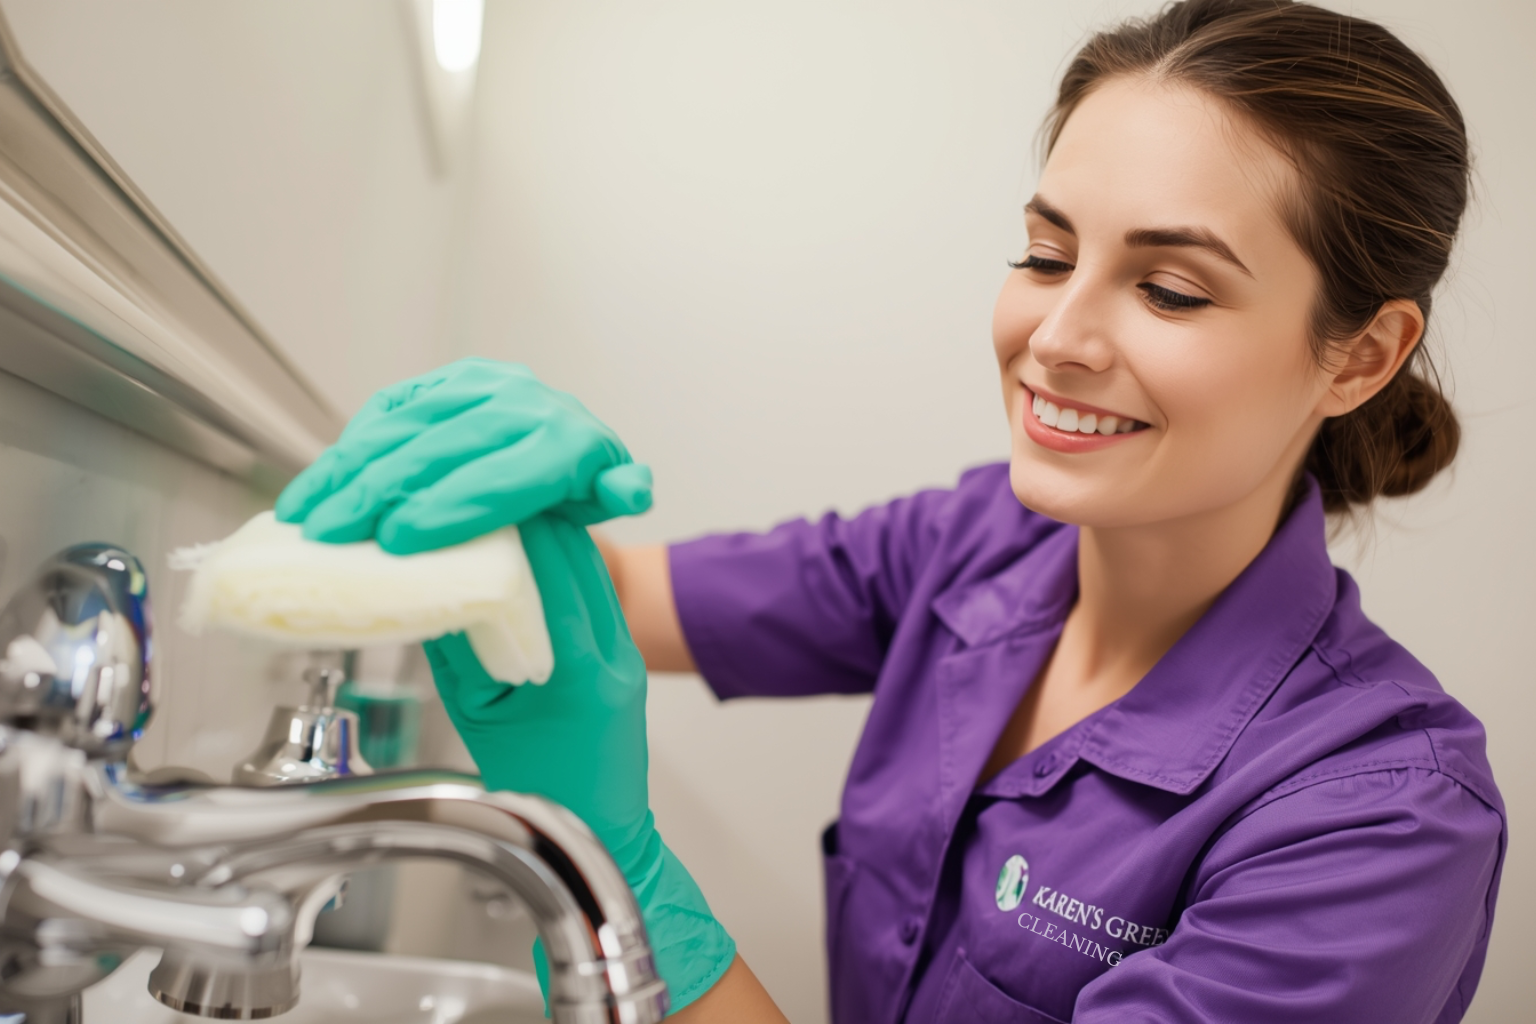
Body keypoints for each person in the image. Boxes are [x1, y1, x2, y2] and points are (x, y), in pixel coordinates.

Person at [274, 1, 1505, 1020]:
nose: (1058, 337)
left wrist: (616, 864)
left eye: (1170, 289)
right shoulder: (977, 545)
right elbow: (624, 600)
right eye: (1045, 255)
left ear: (1360, 356)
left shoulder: (1378, 817)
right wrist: (491, 502)